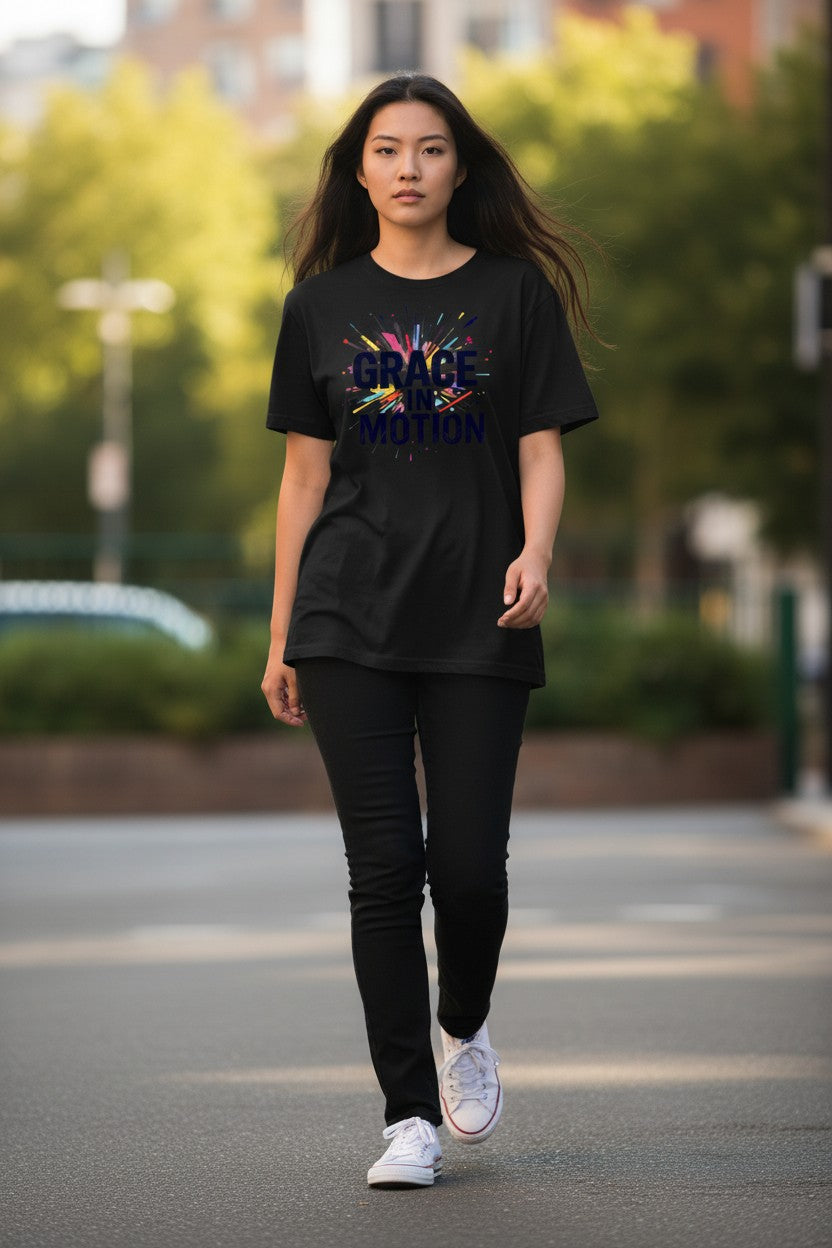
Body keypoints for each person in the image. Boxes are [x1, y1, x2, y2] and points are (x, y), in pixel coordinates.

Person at [260, 71, 602, 1190]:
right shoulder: (318, 306)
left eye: (431, 148)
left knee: (467, 867)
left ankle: (465, 1022)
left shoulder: (513, 295)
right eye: (387, 149)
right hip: (345, 613)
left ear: (461, 167)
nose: (408, 167)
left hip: (477, 609)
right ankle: (407, 1115)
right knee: (382, 871)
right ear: (358, 170)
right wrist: (281, 634)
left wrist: (536, 552)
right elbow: (303, 479)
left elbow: (542, 445)